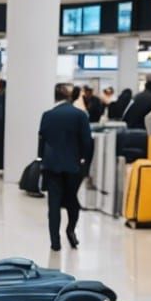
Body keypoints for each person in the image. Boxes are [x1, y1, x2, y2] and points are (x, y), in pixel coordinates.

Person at [38, 83, 94, 252]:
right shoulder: (80, 115)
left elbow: (42, 139)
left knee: (53, 204)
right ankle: (70, 230)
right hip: (73, 165)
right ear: (71, 97)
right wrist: (86, 164)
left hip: (52, 165)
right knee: (72, 200)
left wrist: (41, 160)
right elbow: (87, 142)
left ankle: (55, 242)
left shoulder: (47, 115)